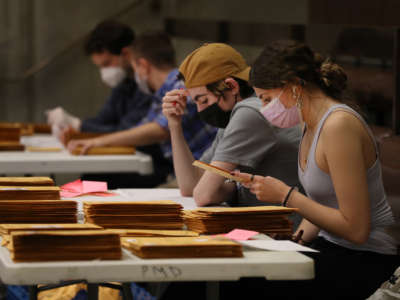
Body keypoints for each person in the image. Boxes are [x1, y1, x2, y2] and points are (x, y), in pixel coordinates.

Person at [232, 40, 399, 299]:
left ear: (293, 86)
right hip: (330, 247)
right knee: (239, 273)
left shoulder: (338, 125)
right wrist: (291, 239)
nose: (265, 110)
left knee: (248, 285)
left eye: (267, 99)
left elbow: (356, 229)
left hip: (364, 260)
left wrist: (287, 197)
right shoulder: (309, 122)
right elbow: (324, 202)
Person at [162, 43, 301, 209]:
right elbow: (190, 186)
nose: (200, 110)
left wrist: (229, 189)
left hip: (284, 228)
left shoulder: (249, 111)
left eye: (204, 100)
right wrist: (174, 124)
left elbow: (203, 195)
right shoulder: (232, 114)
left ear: (232, 86)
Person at [67, 32, 217, 186]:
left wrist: (99, 142)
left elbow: (159, 129)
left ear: (143, 66)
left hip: (205, 175)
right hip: (189, 173)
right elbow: (141, 129)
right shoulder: (161, 93)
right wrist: (98, 142)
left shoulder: (181, 85)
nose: (135, 76)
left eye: (135, 68)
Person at [46, 20, 155, 140]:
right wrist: (74, 126)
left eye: (107, 64)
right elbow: (103, 120)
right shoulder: (123, 84)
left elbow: (127, 132)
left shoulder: (148, 85)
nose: (104, 72)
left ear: (126, 53)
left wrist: (78, 125)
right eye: (100, 67)